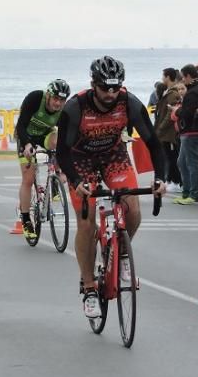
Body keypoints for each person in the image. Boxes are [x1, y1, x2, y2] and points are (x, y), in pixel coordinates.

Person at [55, 56, 165, 320]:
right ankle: (89, 286)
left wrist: (160, 178)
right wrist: (75, 180)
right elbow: (61, 151)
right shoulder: (75, 107)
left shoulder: (130, 103)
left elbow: (153, 142)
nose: (111, 93)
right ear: (94, 84)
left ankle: (122, 254)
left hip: (114, 156)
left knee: (132, 208)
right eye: (105, 88)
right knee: (86, 221)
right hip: (79, 160)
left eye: (116, 87)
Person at [15, 79, 70, 239]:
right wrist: (26, 145)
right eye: (56, 99)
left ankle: (55, 177)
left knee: (59, 141)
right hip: (26, 136)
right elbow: (20, 125)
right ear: (48, 96)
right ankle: (26, 219)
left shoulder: (63, 111)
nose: (58, 103)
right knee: (28, 178)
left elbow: (67, 137)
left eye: (62, 100)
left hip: (45, 135)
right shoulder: (35, 99)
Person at [174, 64, 198, 205]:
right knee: (182, 162)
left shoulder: (192, 92)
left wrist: (177, 111)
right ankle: (187, 192)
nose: (183, 79)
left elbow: (187, 113)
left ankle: (193, 193)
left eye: (183, 77)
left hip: (191, 131)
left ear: (188, 76)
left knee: (190, 162)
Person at [154, 68, 182, 190]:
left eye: (163, 76)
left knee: (171, 157)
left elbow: (169, 114)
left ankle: (175, 181)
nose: (162, 79)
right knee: (167, 156)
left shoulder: (173, 94)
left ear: (168, 77)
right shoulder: (168, 92)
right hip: (165, 132)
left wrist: (160, 128)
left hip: (169, 133)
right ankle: (170, 179)